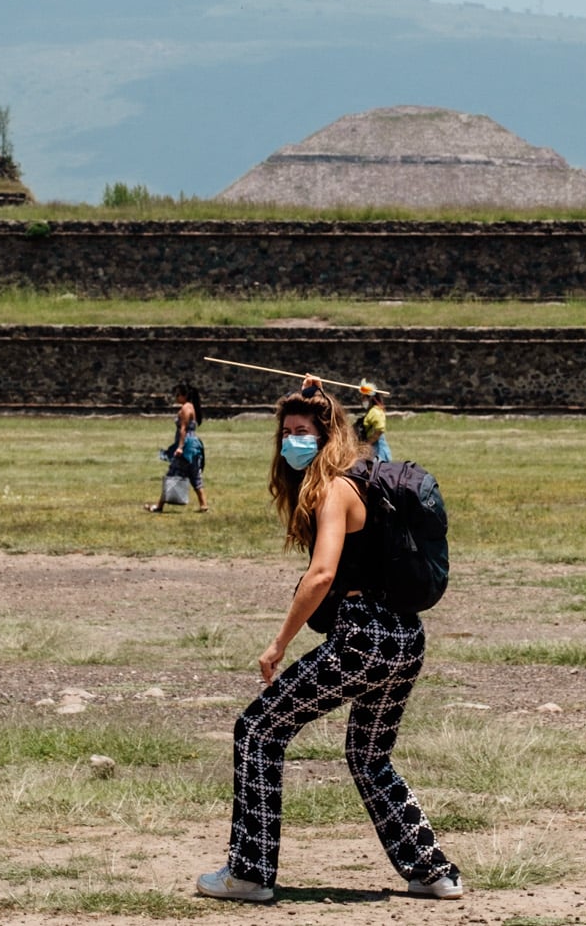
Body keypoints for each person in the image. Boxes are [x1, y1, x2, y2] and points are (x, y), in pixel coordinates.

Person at [195, 380, 462, 904]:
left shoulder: (335, 489)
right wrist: (313, 393)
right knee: (369, 756)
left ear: (326, 435)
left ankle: (249, 872)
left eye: (303, 432)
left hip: (363, 635)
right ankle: (434, 873)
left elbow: (321, 575)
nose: (292, 441)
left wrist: (277, 644)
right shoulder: (367, 482)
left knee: (257, 730)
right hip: (404, 636)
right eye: (286, 432)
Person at [147, 384, 208, 513]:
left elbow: (183, 429)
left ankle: (159, 506)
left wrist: (180, 447)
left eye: (178, 394)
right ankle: (203, 504)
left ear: (184, 395)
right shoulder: (191, 407)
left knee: (172, 474)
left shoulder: (186, 408)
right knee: (194, 474)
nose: (176, 397)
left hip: (186, 445)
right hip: (193, 445)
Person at [357, 392, 394, 463]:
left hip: (377, 447)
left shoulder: (375, 412)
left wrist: (368, 443)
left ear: (370, 398)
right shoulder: (371, 411)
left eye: (364, 397)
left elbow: (379, 430)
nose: (362, 400)